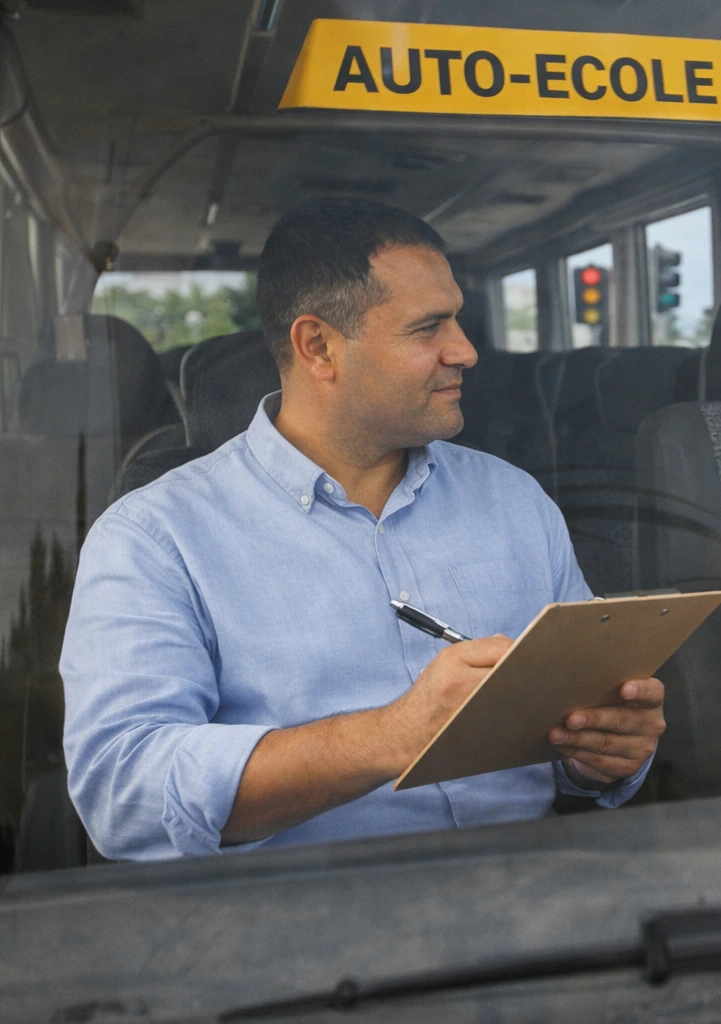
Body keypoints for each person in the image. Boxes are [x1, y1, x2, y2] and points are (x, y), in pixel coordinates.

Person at [61, 198, 664, 861]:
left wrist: (601, 750)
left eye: (457, 320)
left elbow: (574, 735)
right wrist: (389, 738)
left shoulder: (514, 500)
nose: (465, 351)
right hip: (307, 922)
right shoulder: (155, 537)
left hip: (535, 887)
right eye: (428, 328)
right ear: (318, 346)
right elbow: (122, 794)